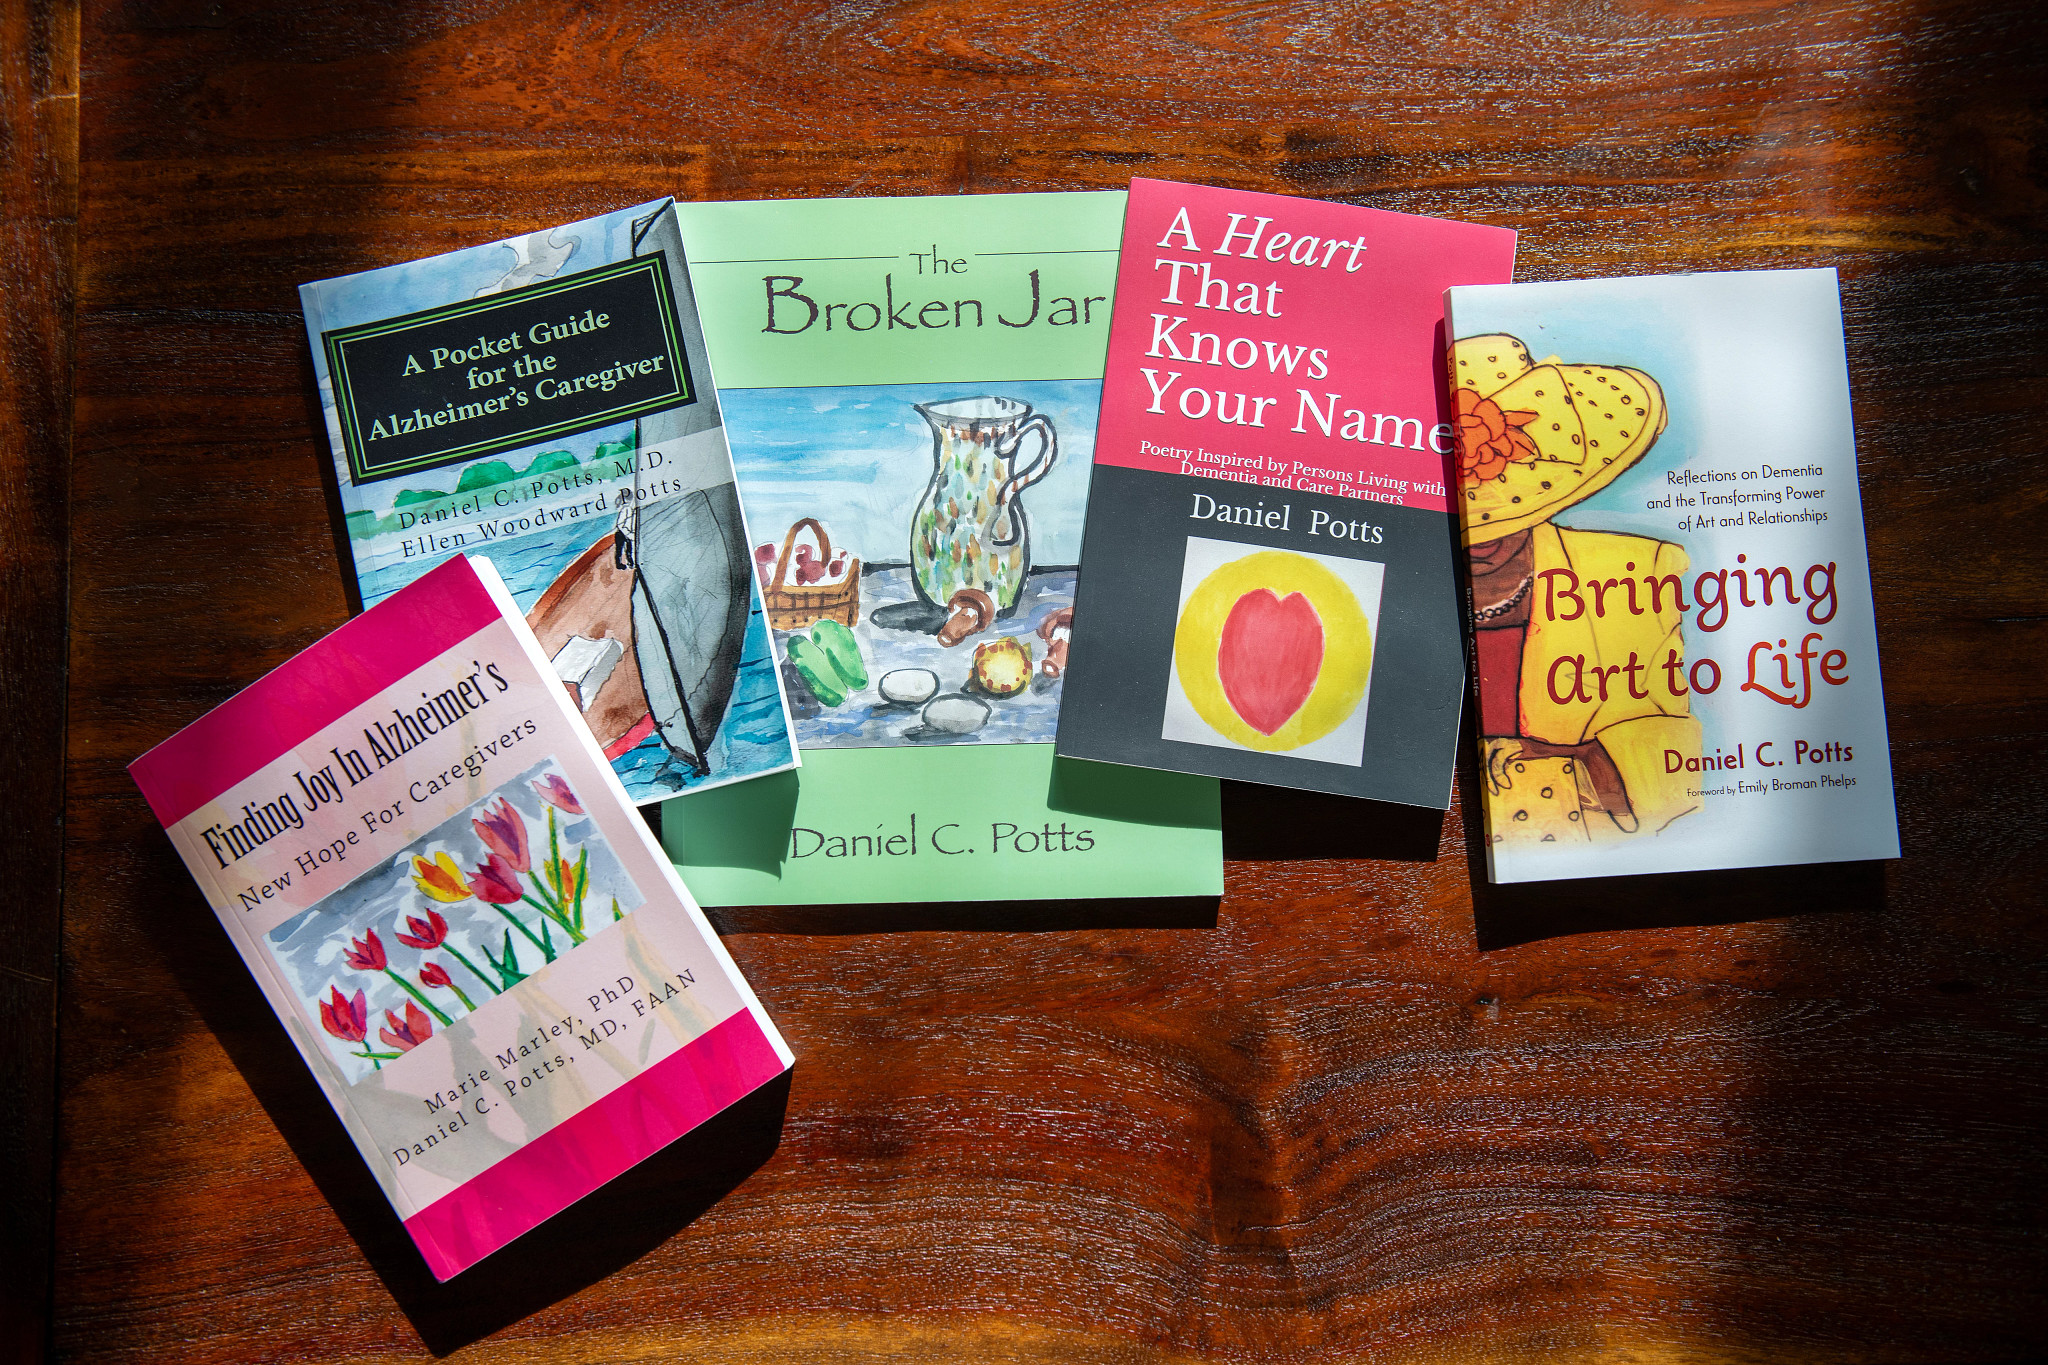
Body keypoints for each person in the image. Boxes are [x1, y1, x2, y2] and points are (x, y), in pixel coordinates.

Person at [1451, 334, 1701, 848]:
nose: (1486, 538)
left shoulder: (1640, 568)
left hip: (1587, 842)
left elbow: (1679, 755)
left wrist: (1574, 755)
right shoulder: (1399, 582)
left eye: (1505, 513)